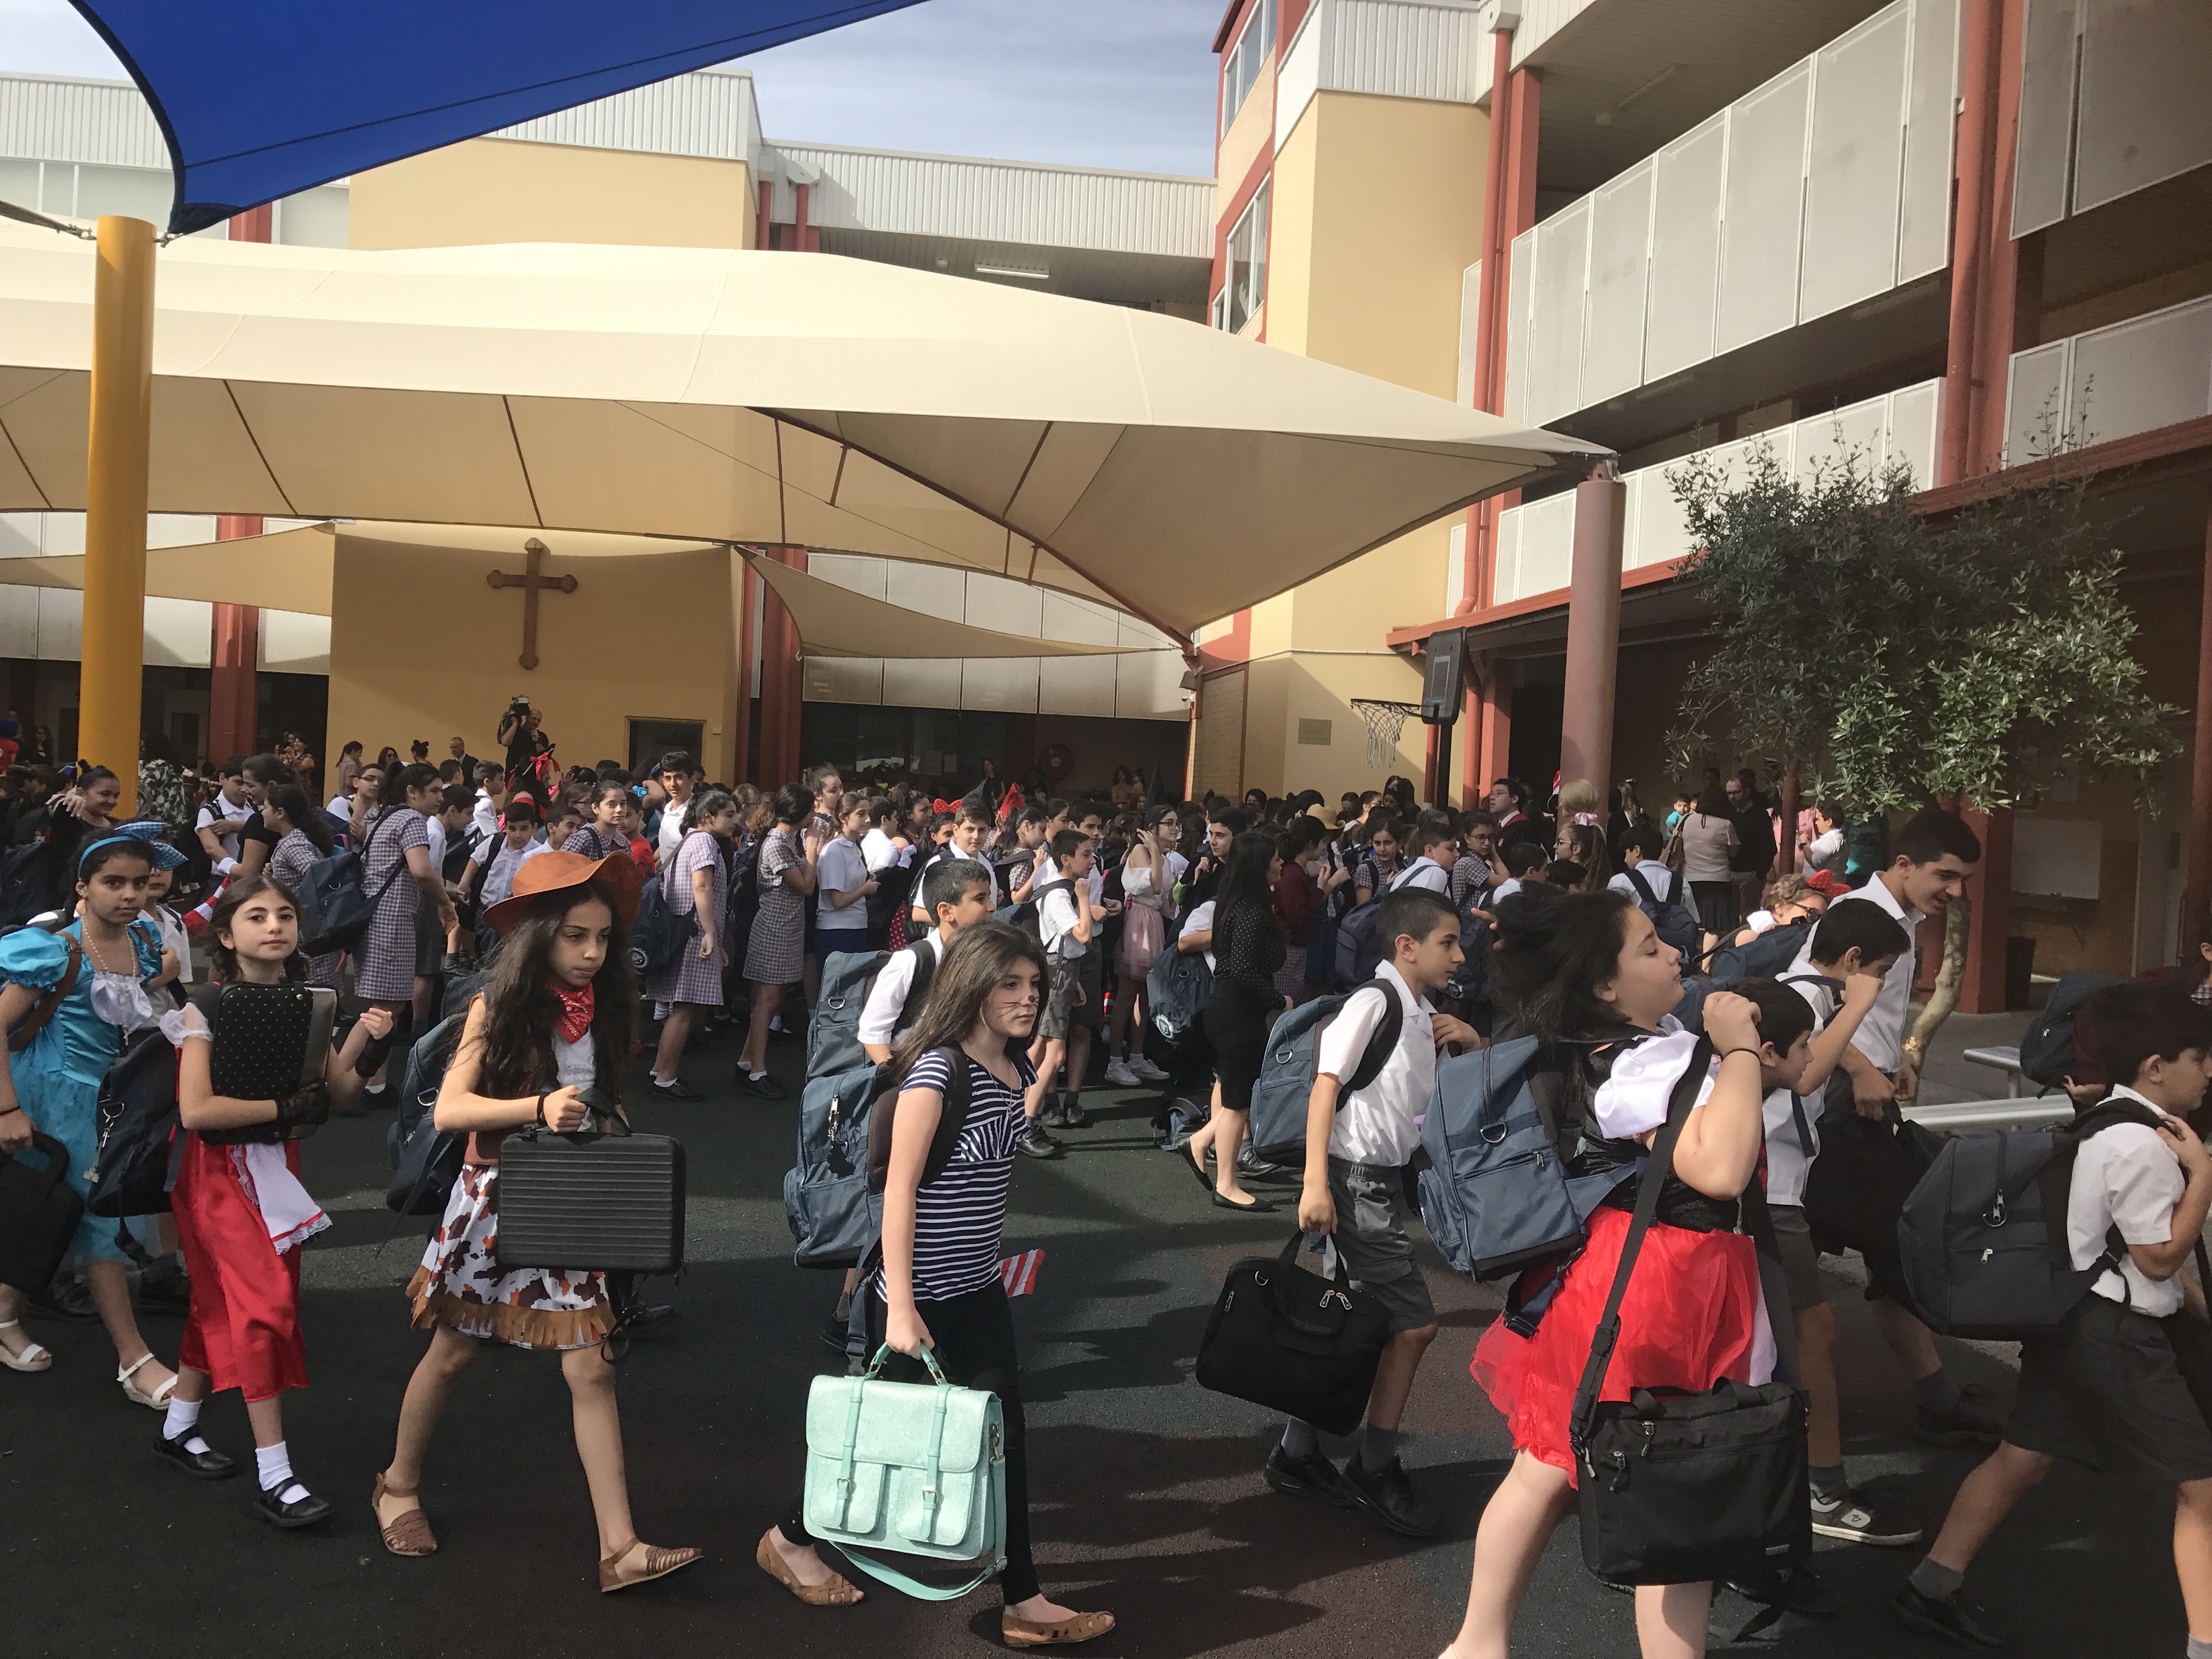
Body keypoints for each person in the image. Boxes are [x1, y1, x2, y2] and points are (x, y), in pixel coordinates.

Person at [1445, 888, 1807, 1659]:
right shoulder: (1647, 1058)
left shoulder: (1638, 1042)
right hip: (1671, 1285)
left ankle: (1478, 1645)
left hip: (1634, 1274)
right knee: (1680, 1482)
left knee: (1549, 1463)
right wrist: (1740, 1049)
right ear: (1604, 985)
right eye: (1649, 947)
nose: (1674, 952)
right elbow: (1717, 1167)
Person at [758, 922, 1115, 1647]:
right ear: (972, 989)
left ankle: (1024, 1599)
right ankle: (789, 1537)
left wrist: (1038, 1077)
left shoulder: (1009, 1071)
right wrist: (901, 1307)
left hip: (975, 1287)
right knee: (880, 1439)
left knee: (1003, 1436)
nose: (1026, 998)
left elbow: (998, 1145)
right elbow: (899, 1192)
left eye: (1034, 985)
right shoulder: (937, 1073)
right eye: (1009, 984)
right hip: (913, 1296)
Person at [374, 851, 699, 1588]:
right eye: (575, 937)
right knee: (453, 1353)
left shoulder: (611, 1008)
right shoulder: (498, 1005)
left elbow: (610, 1102)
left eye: (603, 938)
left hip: (575, 1200)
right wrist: (539, 1107)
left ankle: (620, 1548)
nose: (592, 953)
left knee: (591, 1368)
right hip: (495, 1198)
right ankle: (396, 1485)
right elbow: (453, 1111)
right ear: (538, 937)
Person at [1895, 983, 2212, 1649]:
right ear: (2156, 1065)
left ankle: (1930, 1585)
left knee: (2023, 1458)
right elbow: (2158, 1260)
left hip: (2071, 1320)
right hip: (2119, 1338)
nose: (2209, 1072)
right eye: (2199, 1056)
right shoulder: (2147, 1146)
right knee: (2202, 1493)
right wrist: (2204, 1177)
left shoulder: (2108, 1120)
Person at [156, 877, 392, 1523]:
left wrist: (367, 1043)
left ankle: (178, 1425)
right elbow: (198, 1109)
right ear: (228, 936)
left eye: (284, 914)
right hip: (212, 1172)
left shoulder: (308, 1002)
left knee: (219, 1301)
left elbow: (336, 1093)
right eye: (256, 916)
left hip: (270, 1166)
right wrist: (284, 1107)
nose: (274, 925)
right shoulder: (206, 1005)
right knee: (264, 1308)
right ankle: (276, 1475)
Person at [1788, 806, 1998, 1449]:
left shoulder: (1900, 922)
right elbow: (1799, 994)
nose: (1955, 892)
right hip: (1840, 1118)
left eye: (1963, 880)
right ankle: (1784, 1423)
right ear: (1904, 865)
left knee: (1893, 1251)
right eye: (1947, 876)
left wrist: (1897, 1057)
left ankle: (1933, 1397)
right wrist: (1858, 1067)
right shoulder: (1857, 919)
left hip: (1866, 1110)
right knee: (1895, 1246)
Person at [1272, 887, 1475, 1536]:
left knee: (1349, 1323)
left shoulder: (1423, 1011)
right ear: (1405, 946)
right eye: (1448, 942)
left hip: (1378, 1180)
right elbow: (1325, 1087)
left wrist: (1470, 1040)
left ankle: (1297, 1453)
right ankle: (1375, 1464)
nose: (1460, 955)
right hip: (1353, 1180)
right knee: (1413, 1327)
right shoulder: (1376, 1000)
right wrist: (1314, 1184)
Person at [1752, 904, 1915, 1558]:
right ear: (1851, 963)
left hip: (1780, 1186)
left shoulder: (1803, 994)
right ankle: (1820, 1490)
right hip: (1771, 1190)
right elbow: (1803, 1073)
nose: (1878, 983)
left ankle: (1795, 1484)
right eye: (1877, 971)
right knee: (1811, 1335)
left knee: (1794, 1337)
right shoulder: (1804, 999)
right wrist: (1859, 1006)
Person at [0, 833, 183, 1398]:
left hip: (110, 1096)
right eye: (113, 882)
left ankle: (4, 1317)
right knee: (100, 1223)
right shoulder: (54, 950)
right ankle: (134, 1359)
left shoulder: (143, 941)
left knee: (53, 1212)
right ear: (83, 888)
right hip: (53, 1095)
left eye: (140, 882)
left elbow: (130, 998)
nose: (130, 894)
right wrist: (6, 1108)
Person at [1187, 831, 1287, 1211]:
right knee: (1238, 1102)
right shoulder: (1250, 909)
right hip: (1236, 1011)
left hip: (1233, 1009)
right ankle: (1226, 1184)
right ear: (1260, 867)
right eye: (1276, 859)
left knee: (1237, 1095)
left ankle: (1200, 1142)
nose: (1281, 864)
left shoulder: (1239, 904)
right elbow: (1243, 968)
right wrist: (1278, 999)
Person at [646, 787, 738, 1102]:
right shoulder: (705, 841)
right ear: (708, 817)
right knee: (685, 1010)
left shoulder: (691, 840)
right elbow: (701, 886)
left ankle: (661, 1071)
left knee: (681, 1008)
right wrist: (712, 934)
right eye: (729, 814)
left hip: (687, 934)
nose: (735, 821)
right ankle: (665, 1077)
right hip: (695, 936)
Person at [857, 858, 994, 1063]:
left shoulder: (986, 959)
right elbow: (873, 1032)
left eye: (989, 897)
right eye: (980, 899)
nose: (991, 907)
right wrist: (904, 1081)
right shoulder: (911, 962)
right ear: (946, 911)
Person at [738, 785, 821, 1101]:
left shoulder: (786, 839)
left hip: (786, 928)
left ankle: (747, 1061)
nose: (815, 816)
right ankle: (758, 1071)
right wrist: (812, 852)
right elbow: (806, 887)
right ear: (799, 813)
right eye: (811, 810)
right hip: (774, 928)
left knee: (771, 1000)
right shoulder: (777, 842)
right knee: (766, 1003)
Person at [1024, 829, 1098, 1154]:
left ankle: (1018, 1119)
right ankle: (1024, 1124)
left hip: (1062, 970)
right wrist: (1083, 899)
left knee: (1040, 1047)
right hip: (1058, 971)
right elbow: (1082, 935)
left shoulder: (1057, 888)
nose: (1092, 861)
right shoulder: (1059, 894)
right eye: (1085, 854)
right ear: (1066, 859)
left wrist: (1075, 980)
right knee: (1053, 1054)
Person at [262, 784, 343, 989]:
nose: (262, 813)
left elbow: (318, 875)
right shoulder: (294, 840)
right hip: (308, 929)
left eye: (265, 807)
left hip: (307, 931)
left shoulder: (293, 844)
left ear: (280, 813)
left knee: (313, 991)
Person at [812, 797, 877, 968]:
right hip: (838, 930)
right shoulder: (835, 850)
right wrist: (865, 889)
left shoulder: (854, 846)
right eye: (861, 814)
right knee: (837, 989)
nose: (868, 820)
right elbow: (838, 901)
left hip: (857, 926)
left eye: (868, 813)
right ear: (844, 818)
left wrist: (865, 879)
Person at [1679, 784, 1740, 950]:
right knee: (1714, 928)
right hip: (1718, 881)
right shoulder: (1726, 825)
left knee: (1689, 922)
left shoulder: (1687, 820)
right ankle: (1706, 966)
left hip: (1691, 878)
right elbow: (1734, 852)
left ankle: (1689, 957)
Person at [1488, 777, 1547, 855]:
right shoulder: (1497, 828)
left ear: (1515, 799)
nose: (1492, 798)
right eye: (1492, 794)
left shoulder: (1523, 828)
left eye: (1499, 793)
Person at [1801, 802, 1847, 878]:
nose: (1816, 823)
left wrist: (1804, 844)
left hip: (1822, 886)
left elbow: (1815, 862)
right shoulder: (1836, 838)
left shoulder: (1831, 840)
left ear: (1829, 822)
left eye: (1819, 820)